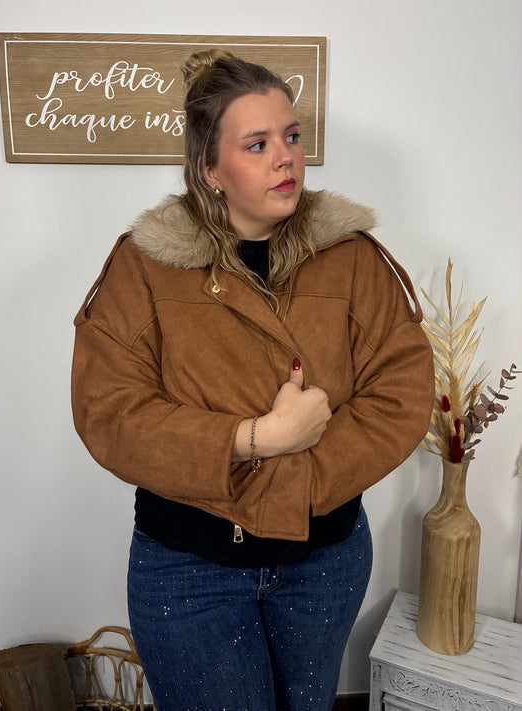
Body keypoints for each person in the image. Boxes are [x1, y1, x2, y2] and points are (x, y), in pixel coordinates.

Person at [71, 50, 434, 711]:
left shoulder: (351, 257)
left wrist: (304, 483)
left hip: (324, 561)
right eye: (258, 144)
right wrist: (256, 438)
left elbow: (401, 389)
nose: (285, 158)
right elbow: (110, 413)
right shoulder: (143, 266)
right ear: (210, 170)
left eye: (291, 136)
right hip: (189, 568)